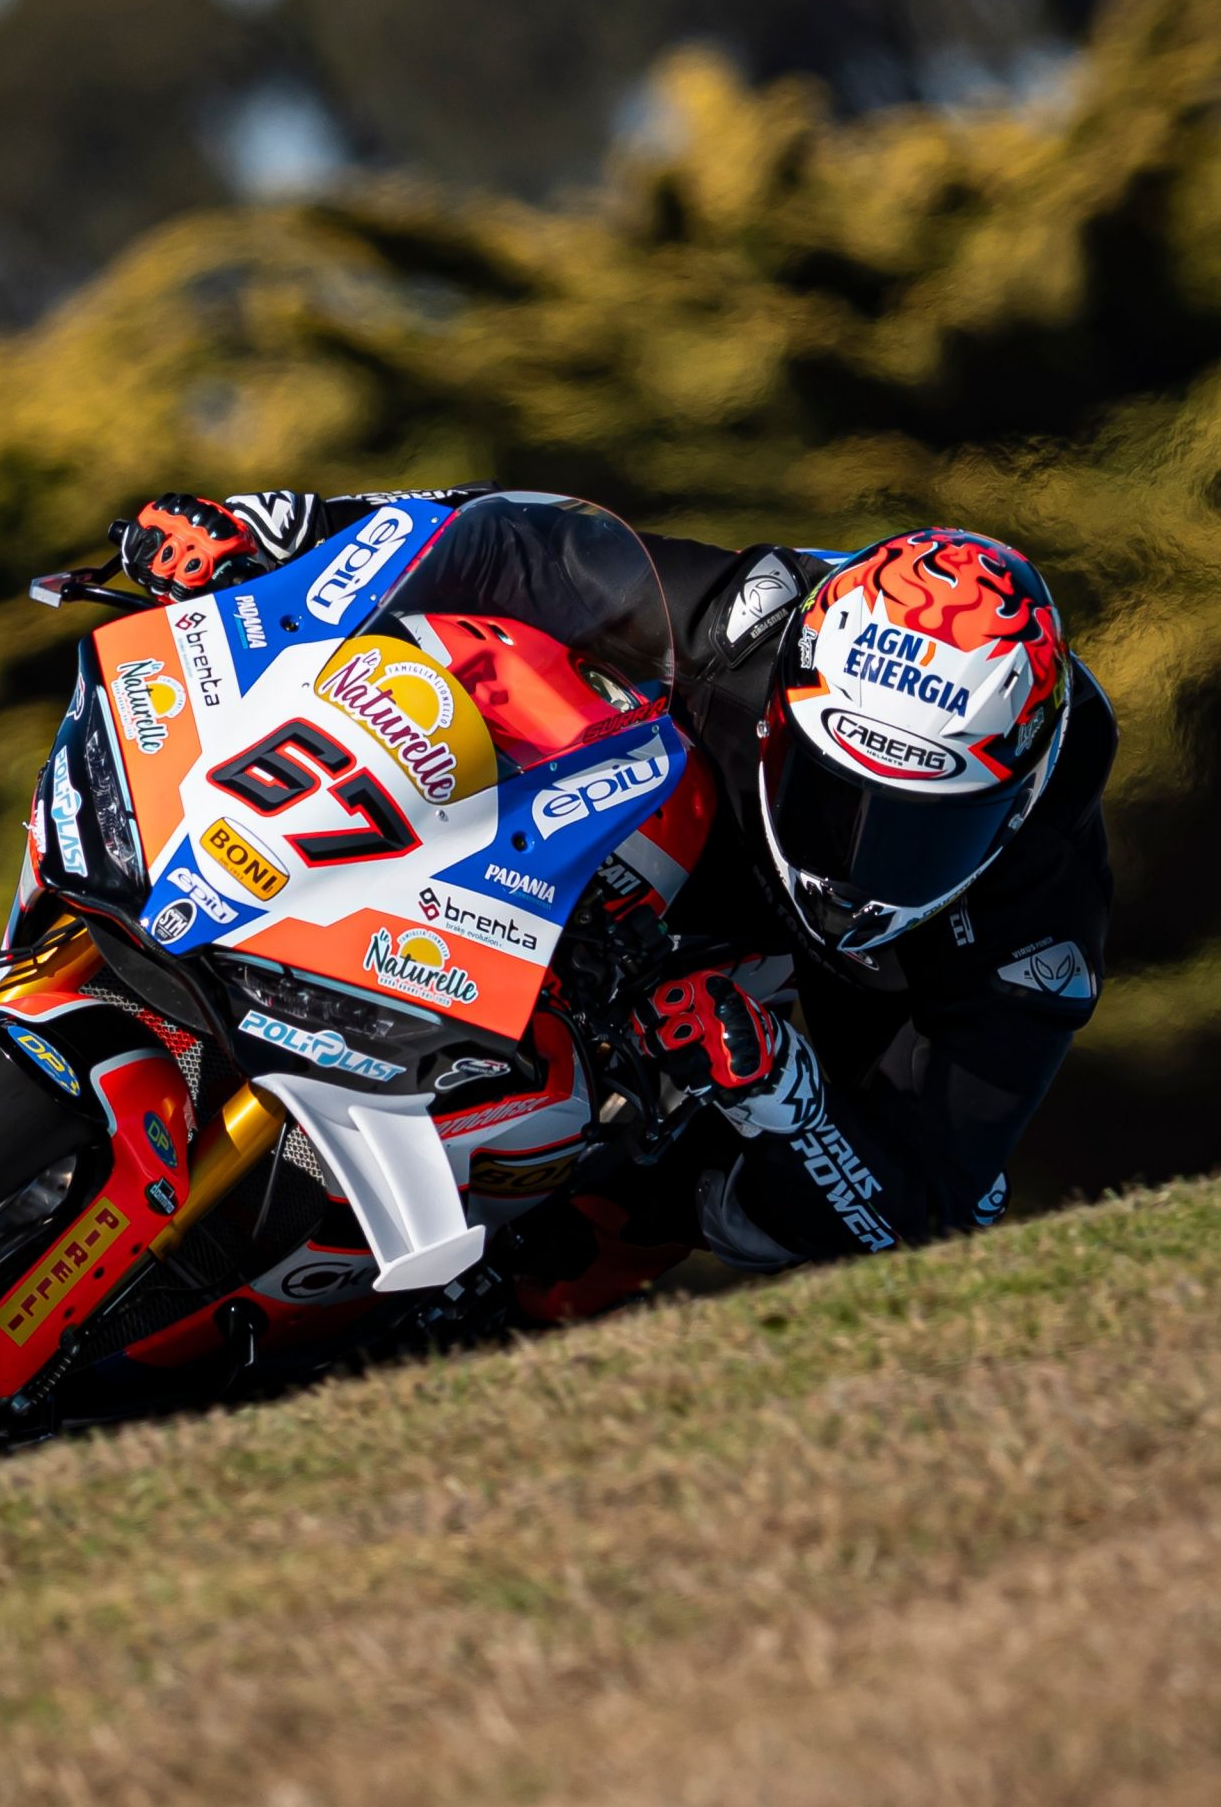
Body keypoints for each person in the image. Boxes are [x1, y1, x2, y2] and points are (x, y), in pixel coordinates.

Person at [112, 488, 1114, 1282]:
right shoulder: (744, 630)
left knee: (620, 1236)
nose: (854, 862)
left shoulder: (1040, 917)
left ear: (1013, 803)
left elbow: (935, 1207)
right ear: (786, 707)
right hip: (585, 899)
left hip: (781, 1059)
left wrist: (782, 1091)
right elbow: (494, 543)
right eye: (828, 793)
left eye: (916, 832)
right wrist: (277, 532)